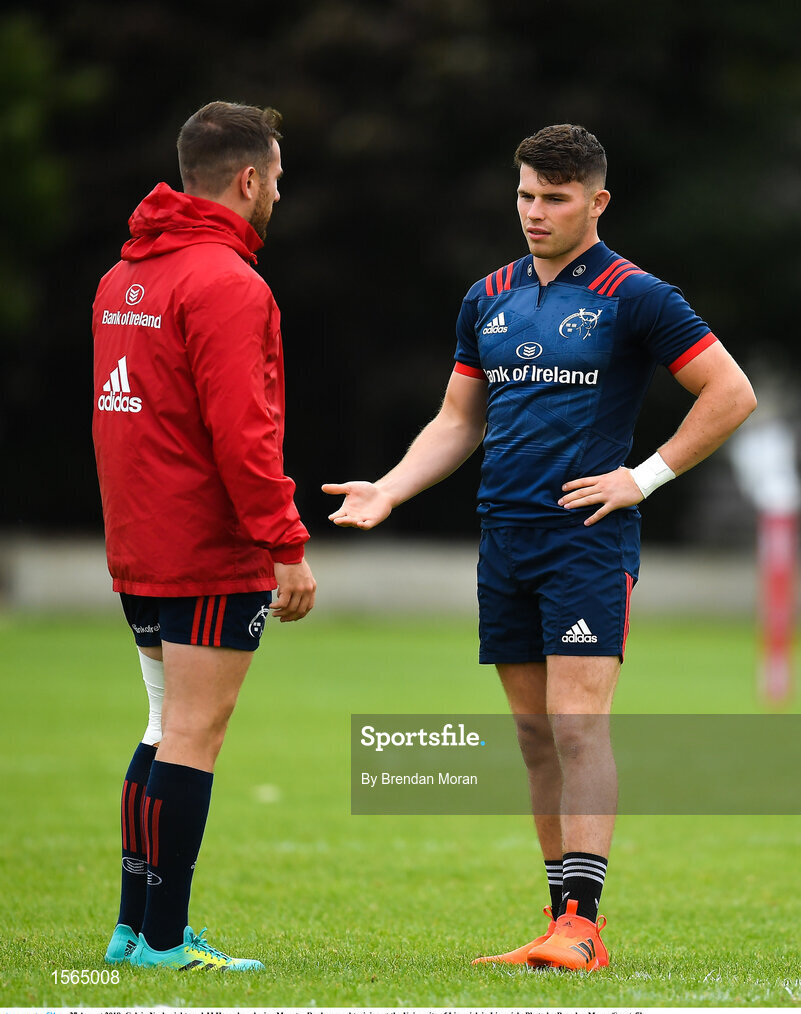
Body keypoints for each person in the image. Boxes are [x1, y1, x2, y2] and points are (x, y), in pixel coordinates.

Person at [323, 124, 756, 971]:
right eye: (525, 194)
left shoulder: (638, 296)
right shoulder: (486, 295)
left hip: (586, 543)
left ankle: (584, 928)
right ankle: (558, 918)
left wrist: (644, 476)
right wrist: (391, 487)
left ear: (596, 202)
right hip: (504, 541)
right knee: (531, 736)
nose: (534, 211)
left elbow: (729, 392)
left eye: (554, 198)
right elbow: (458, 421)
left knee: (577, 725)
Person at [93, 101, 316, 971]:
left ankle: (130, 928)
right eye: (276, 183)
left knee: (161, 723)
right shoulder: (227, 282)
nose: (275, 199)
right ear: (249, 179)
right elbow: (244, 432)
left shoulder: (126, 276)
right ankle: (159, 940)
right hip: (207, 549)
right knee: (194, 733)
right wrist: (284, 545)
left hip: (141, 541)